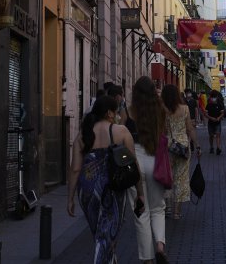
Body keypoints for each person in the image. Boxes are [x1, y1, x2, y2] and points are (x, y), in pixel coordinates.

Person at [67, 95, 145, 264]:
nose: (118, 115)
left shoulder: (83, 136)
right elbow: (133, 165)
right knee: (106, 238)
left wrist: (70, 198)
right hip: (112, 189)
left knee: (101, 236)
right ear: (110, 113)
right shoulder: (121, 132)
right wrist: (140, 193)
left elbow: (75, 169)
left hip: (87, 192)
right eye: (117, 112)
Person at [127, 77, 169, 264]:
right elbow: (163, 134)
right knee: (158, 209)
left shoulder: (128, 112)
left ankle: (147, 258)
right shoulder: (160, 111)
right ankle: (160, 244)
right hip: (154, 161)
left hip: (134, 160)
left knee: (141, 212)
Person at [161, 84, 200, 220]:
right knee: (181, 178)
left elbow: (162, 130)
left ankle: (167, 207)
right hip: (183, 146)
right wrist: (197, 145)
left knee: (167, 177)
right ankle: (177, 212)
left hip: (168, 146)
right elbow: (190, 129)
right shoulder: (184, 109)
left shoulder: (162, 110)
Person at [203, 90, 225, 154]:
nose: (213, 98)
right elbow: (205, 114)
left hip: (217, 122)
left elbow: (222, 113)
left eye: (214, 97)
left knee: (218, 135)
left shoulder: (219, 104)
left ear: (217, 97)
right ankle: (211, 147)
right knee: (211, 136)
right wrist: (211, 118)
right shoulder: (208, 105)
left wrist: (219, 118)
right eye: (212, 97)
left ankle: (218, 148)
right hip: (210, 123)